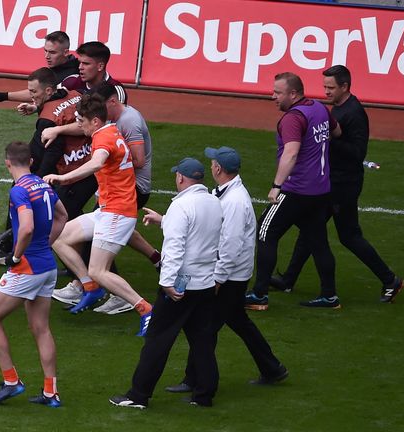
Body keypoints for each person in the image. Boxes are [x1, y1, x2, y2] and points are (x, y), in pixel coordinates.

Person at [271, 65, 404, 303]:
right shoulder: (338, 108)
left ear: (345, 86)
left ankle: (390, 280)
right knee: (311, 230)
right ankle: (289, 279)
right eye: (324, 87)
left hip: (344, 186)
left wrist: (323, 141)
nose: (326, 92)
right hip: (331, 183)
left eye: (330, 87)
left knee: (349, 236)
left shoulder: (354, 113)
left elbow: (357, 152)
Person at [165, 147, 288, 396]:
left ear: (218, 169)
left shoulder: (234, 201)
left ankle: (195, 380)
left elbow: (231, 245)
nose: (210, 166)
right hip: (233, 274)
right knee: (238, 322)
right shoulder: (231, 195)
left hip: (229, 277)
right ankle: (272, 368)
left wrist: (218, 279)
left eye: (212, 163)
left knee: (205, 329)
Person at [110, 157, 222, 409]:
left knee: (157, 341)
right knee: (203, 342)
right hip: (205, 283)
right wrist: (166, 220)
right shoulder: (214, 202)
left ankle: (138, 395)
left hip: (181, 285)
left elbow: (174, 248)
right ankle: (204, 395)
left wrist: (168, 283)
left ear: (181, 178)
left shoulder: (181, 207)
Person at [43, 94, 153, 336]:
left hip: (116, 213)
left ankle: (146, 309)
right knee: (60, 237)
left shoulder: (102, 139)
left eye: (81, 120)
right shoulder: (111, 131)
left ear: (94, 121)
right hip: (109, 210)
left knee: (99, 269)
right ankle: (91, 288)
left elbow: (96, 163)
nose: (79, 125)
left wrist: (63, 177)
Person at [0, 67, 97, 265]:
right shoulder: (73, 93)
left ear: (48, 91)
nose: (31, 96)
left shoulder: (48, 118)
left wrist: (34, 179)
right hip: (87, 165)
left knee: (59, 220)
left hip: (75, 171)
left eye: (33, 92)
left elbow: (51, 151)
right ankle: (12, 245)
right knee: (75, 218)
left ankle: (19, 252)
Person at [0, 141, 68, 407]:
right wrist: (47, 244)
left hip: (27, 267)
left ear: (7, 163)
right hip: (48, 267)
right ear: (30, 161)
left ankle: (11, 381)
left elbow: (26, 227)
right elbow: (62, 216)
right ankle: (51, 392)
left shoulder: (18, 191)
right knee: (41, 329)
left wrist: (16, 257)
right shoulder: (43, 184)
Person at [244, 72, 342, 311]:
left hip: (296, 190)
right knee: (319, 242)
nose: (273, 96)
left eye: (278, 92)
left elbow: (291, 153)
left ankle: (259, 295)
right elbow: (336, 132)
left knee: (266, 233)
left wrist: (277, 185)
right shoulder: (319, 108)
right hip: (320, 191)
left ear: (294, 93)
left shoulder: (292, 118)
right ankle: (330, 296)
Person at [17, 41, 128, 116]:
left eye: (86, 64)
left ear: (100, 66)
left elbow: (112, 122)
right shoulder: (72, 81)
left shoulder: (116, 90)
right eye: (80, 63)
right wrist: (35, 108)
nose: (80, 67)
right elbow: (50, 98)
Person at [0, 31, 79, 105]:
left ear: (66, 52)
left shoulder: (73, 74)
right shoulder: (58, 67)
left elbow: (41, 93)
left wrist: (3, 96)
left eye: (52, 52)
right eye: (45, 51)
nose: (47, 56)